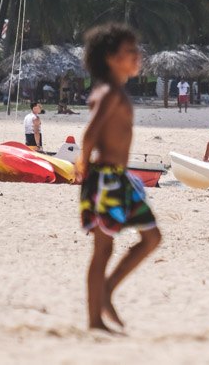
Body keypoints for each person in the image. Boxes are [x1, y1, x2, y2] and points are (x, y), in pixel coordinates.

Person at [78, 23, 161, 332]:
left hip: (120, 178)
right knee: (103, 249)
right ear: (111, 58)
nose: (137, 56)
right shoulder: (108, 92)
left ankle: (108, 291)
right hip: (104, 178)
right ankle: (94, 320)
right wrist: (82, 164)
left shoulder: (117, 91)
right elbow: (90, 132)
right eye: (130, 52)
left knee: (152, 238)